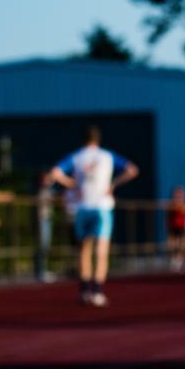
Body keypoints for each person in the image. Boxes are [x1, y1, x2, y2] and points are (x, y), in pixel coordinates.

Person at [49, 126, 139, 306]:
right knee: (101, 251)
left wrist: (72, 184)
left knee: (84, 250)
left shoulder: (77, 157)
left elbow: (55, 173)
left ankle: (83, 291)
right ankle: (97, 291)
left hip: (82, 207)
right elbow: (132, 170)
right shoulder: (107, 155)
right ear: (98, 139)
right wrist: (113, 184)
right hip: (102, 207)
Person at [165, 185, 185, 272]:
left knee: (183, 246)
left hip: (182, 228)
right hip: (173, 228)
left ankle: (181, 263)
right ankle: (174, 262)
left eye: (180, 195)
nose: (178, 196)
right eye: (177, 195)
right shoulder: (170, 205)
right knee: (172, 246)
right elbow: (168, 216)